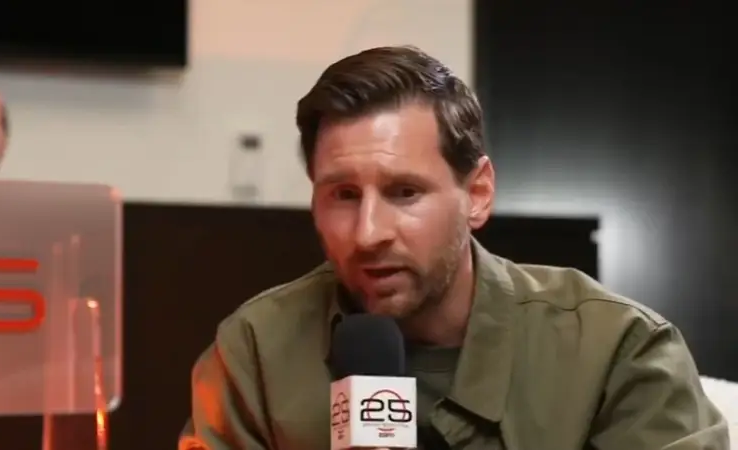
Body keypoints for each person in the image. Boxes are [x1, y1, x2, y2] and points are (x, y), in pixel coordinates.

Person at [179, 46, 729, 450]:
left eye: (404, 192)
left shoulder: (614, 351)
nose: (368, 233)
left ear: (477, 194)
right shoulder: (257, 353)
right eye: (343, 195)